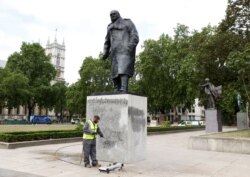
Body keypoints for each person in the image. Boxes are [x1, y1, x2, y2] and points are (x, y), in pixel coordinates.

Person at [102, 10, 139, 92]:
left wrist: (129, 47)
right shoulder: (109, 27)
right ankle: (116, 88)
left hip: (125, 51)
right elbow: (107, 41)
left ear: (118, 14)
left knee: (123, 69)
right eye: (110, 15)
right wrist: (105, 52)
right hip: (114, 53)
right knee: (114, 71)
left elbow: (134, 36)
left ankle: (124, 87)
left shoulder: (128, 23)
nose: (112, 15)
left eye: (114, 14)